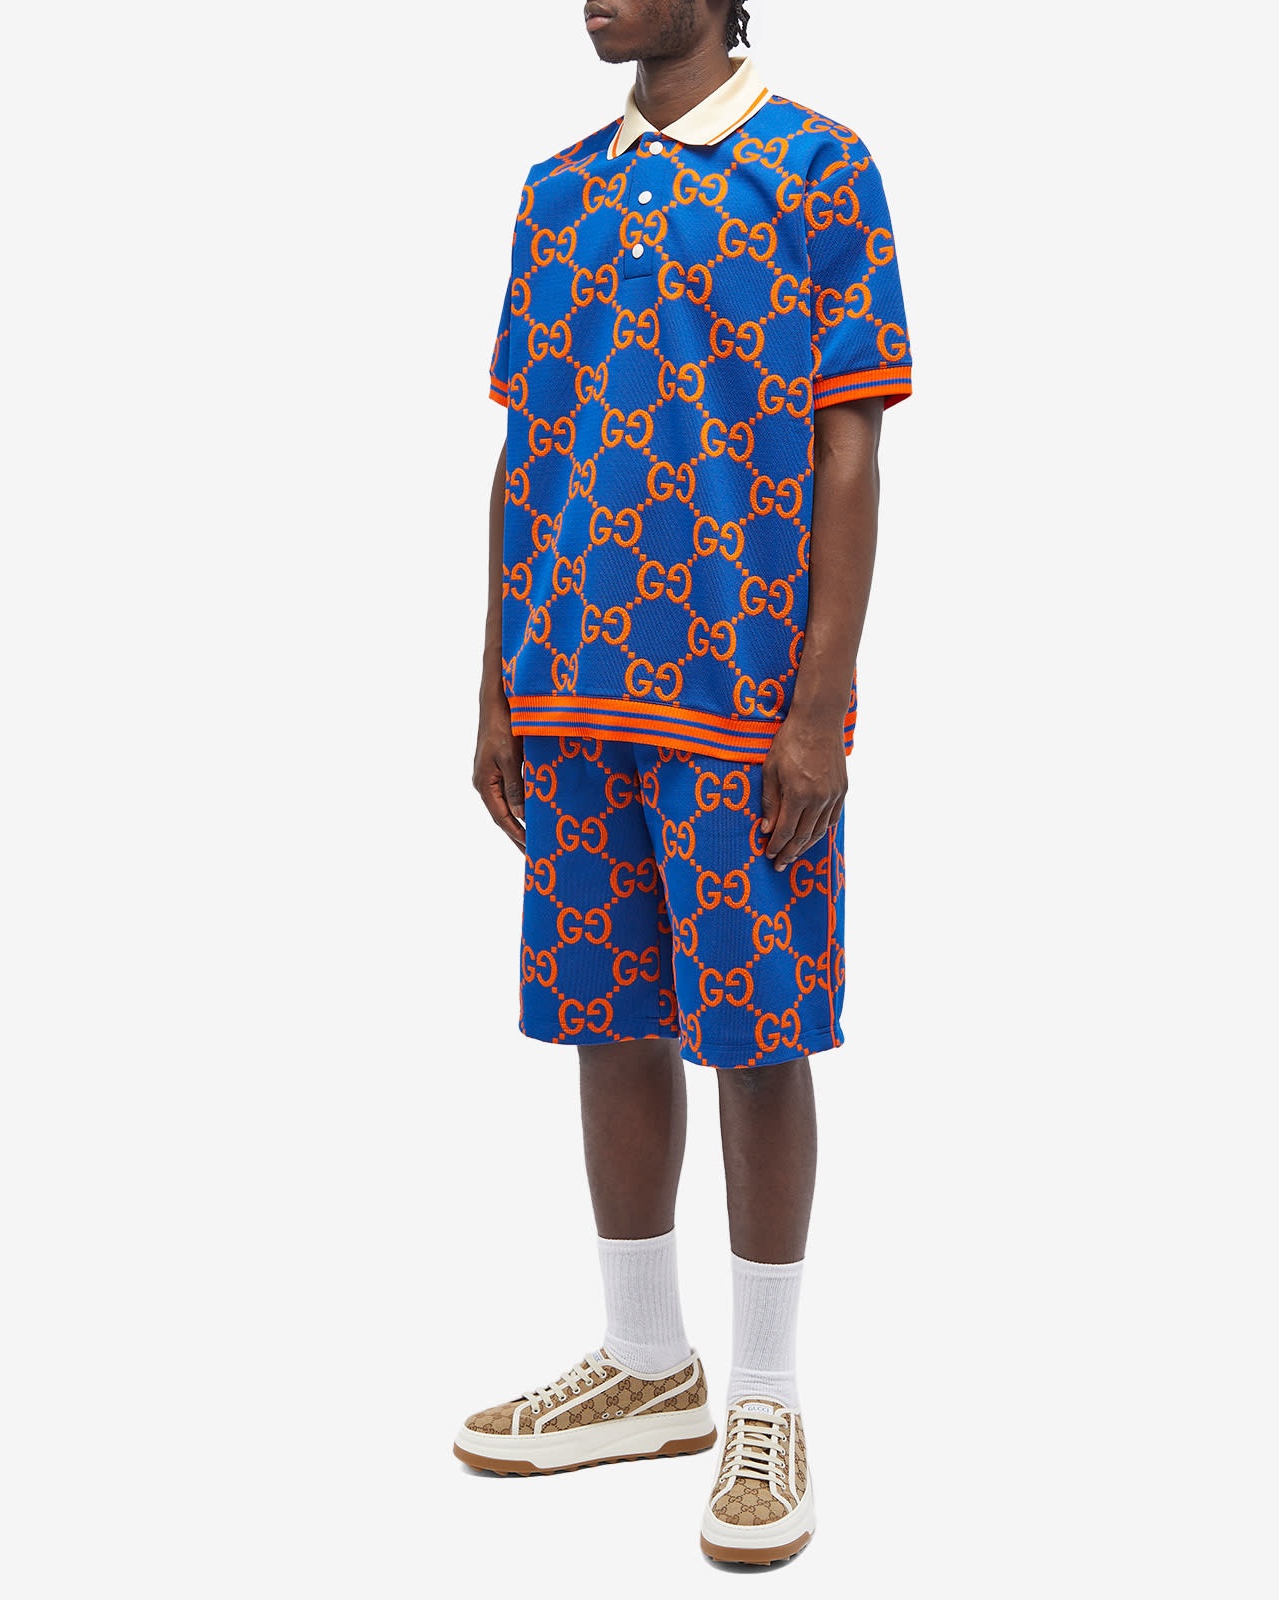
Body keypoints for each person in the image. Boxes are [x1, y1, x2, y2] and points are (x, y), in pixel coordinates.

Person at [458, 0, 912, 1566]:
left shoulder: (817, 168)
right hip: (571, 682)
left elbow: (849, 450)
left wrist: (819, 703)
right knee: (610, 1013)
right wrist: (496, 681)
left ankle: (768, 1397)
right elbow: (524, 450)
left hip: (738, 693)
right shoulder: (556, 190)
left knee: (757, 1030)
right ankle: (648, 1361)